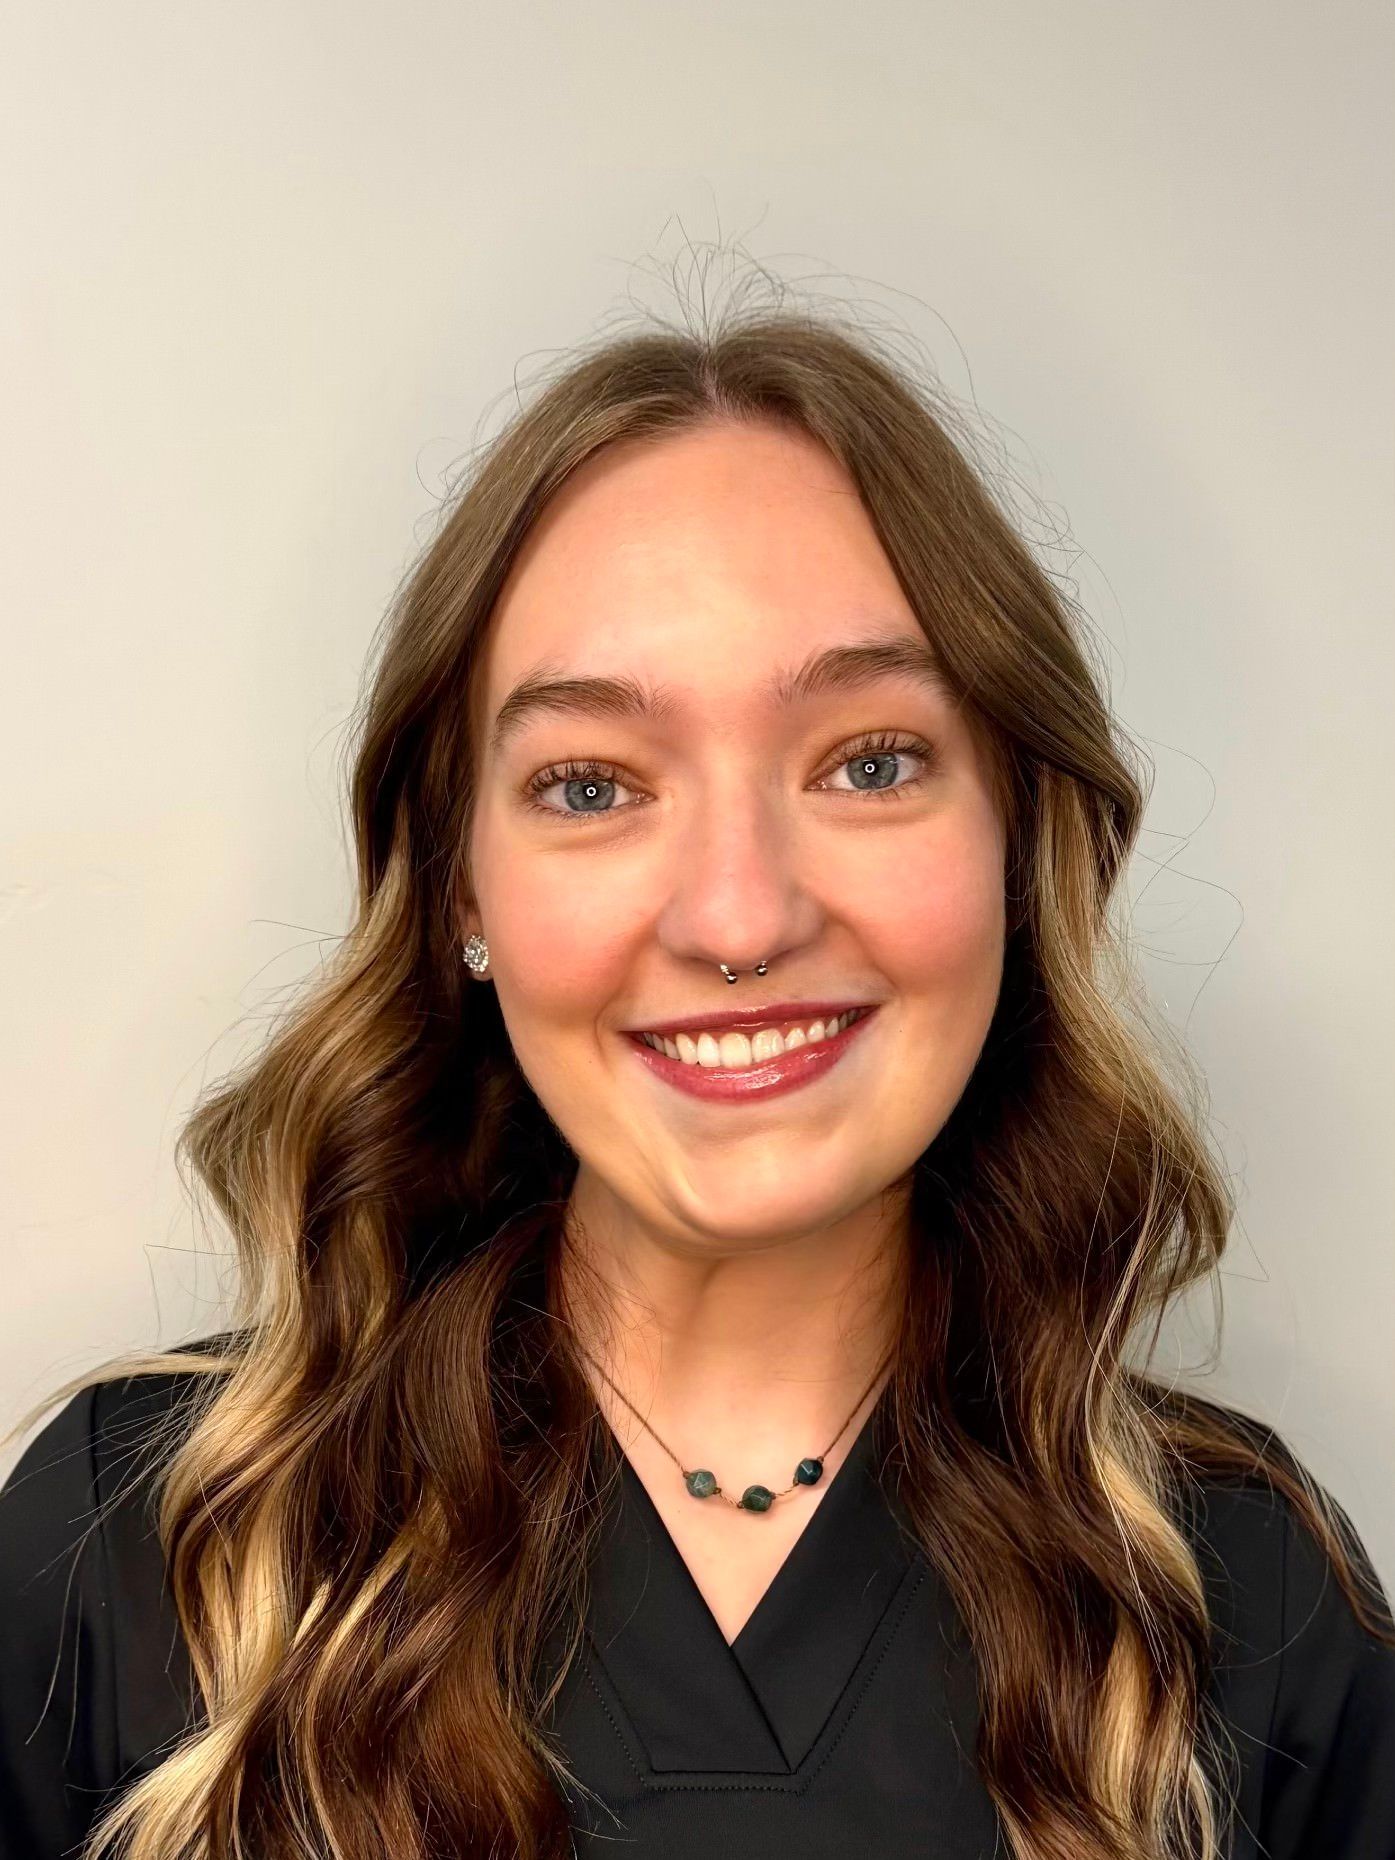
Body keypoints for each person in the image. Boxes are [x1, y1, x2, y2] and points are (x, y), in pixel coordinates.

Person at [2, 303, 1393, 1860]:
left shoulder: (1249, 1599)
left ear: (1017, 844)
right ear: (463, 890)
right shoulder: (135, 1550)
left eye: (870, 761)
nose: (740, 915)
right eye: (591, 786)